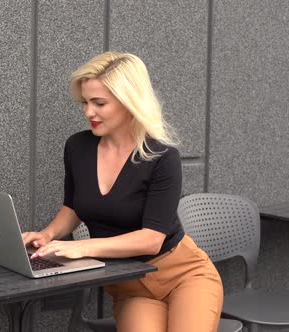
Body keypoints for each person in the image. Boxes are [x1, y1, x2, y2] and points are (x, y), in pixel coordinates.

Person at [22, 51, 223, 332]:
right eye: (85, 102)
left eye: (99, 103)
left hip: (183, 274)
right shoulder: (77, 147)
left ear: (130, 102)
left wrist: (81, 247)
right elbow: (73, 208)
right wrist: (47, 235)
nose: (88, 112)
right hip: (130, 284)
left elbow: (152, 240)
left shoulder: (162, 157)